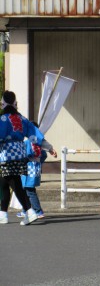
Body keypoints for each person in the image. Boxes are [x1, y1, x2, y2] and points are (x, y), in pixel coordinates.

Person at [0, 90, 44, 225]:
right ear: (15, 104)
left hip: (7, 155)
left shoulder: (3, 119)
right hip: (19, 154)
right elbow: (34, 134)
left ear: (3, 104)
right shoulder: (22, 119)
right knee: (4, 183)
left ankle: (29, 211)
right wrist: (47, 145)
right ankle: (3, 214)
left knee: (15, 183)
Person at [17, 122, 57, 219]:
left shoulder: (26, 143)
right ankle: (25, 210)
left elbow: (23, 155)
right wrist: (39, 162)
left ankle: (38, 211)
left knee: (29, 190)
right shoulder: (39, 143)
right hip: (36, 168)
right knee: (27, 189)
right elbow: (44, 155)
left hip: (27, 168)